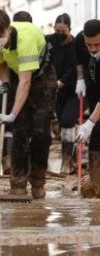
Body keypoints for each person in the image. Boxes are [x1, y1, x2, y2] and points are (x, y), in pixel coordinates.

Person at [0, 9, 57, 199]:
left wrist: (13, 112)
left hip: (42, 76)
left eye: (0, 35)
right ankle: (17, 184)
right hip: (16, 73)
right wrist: (5, 83)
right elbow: (0, 64)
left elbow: (27, 82)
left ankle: (38, 182)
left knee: (41, 132)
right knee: (19, 131)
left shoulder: (26, 38)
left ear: (8, 28)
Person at [46, 13, 78, 174]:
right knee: (59, 120)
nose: (59, 35)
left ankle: (67, 161)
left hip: (71, 89)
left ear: (69, 29)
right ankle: (68, 158)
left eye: (63, 32)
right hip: (53, 89)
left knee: (67, 120)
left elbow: (72, 68)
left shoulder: (73, 45)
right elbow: (46, 59)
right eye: (57, 31)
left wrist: (59, 83)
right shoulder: (49, 41)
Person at [74, 19, 100, 197]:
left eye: (98, 44)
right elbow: (78, 60)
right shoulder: (78, 41)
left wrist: (89, 123)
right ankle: (96, 185)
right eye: (89, 44)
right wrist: (80, 78)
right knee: (97, 134)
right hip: (92, 84)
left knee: (95, 127)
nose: (93, 49)